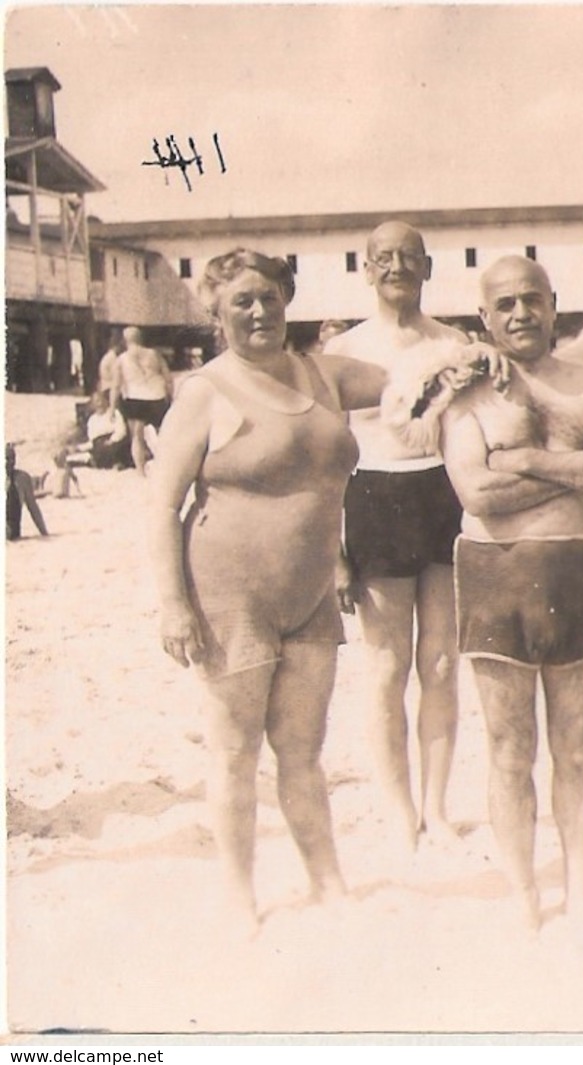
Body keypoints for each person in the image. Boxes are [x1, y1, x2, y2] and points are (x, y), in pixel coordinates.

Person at [149, 248, 392, 934]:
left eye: (268, 297)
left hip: (310, 593)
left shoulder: (324, 373)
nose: (258, 312)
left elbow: (413, 374)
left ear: (288, 297)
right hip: (230, 598)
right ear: (217, 314)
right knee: (234, 752)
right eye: (241, 303)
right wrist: (172, 603)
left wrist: (473, 356)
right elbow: (161, 504)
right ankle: (238, 894)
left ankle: (327, 881)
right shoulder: (206, 391)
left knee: (303, 750)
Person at [439, 255, 583, 929]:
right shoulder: (466, 391)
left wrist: (524, 460)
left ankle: (580, 883)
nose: (520, 313)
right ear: (484, 317)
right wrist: (576, 469)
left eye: (532, 300)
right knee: (508, 745)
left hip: (576, 570)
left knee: (576, 743)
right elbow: (478, 493)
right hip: (496, 575)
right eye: (505, 304)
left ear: (554, 305)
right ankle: (524, 889)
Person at [323, 223, 467, 851]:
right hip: (374, 495)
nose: (397, 267)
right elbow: (324, 458)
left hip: (443, 493)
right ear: (366, 269)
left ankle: (435, 809)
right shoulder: (342, 352)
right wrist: (333, 554)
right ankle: (396, 811)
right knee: (387, 666)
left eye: (410, 257)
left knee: (439, 662)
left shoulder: (454, 343)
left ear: (428, 268)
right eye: (385, 258)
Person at [112, 327, 174, 475]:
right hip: (156, 396)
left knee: (137, 436)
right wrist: (170, 397)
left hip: (134, 398)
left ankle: (140, 472)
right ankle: (165, 467)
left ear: (125, 340)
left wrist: (112, 408)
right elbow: (168, 378)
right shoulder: (154, 354)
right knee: (162, 434)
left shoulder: (121, 359)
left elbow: (115, 385)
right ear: (141, 338)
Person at [6, 443, 48, 540]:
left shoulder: (21, 479)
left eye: (12, 458)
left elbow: (33, 508)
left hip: (11, 533)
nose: (10, 462)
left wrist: (44, 532)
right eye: (6, 458)